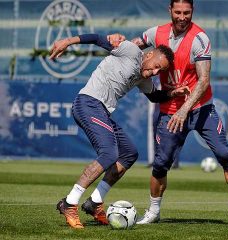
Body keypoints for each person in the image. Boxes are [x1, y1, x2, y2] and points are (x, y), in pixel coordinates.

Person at [108, 0, 228, 227]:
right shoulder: (155, 33)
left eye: (187, 12)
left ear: (193, 12)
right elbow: (132, 48)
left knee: (224, 155)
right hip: (170, 110)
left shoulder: (200, 39)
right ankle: (154, 211)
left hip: (201, 109)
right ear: (169, 11)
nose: (182, 17)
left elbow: (204, 80)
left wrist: (183, 109)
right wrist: (117, 40)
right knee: (161, 164)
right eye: (178, 12)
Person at [49, 33, 189, 229]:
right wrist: (66, 41)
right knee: (109, 153)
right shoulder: (131, 51)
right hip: (88, 103)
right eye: (156, 65)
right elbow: (98, 39)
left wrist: (174, 92)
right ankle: (69, 203)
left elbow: (155, 96)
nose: (155, 71)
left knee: (129, 153)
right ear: (149, 55)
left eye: (160, 70)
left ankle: (95, 202)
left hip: (102, 111)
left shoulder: (143, 77)